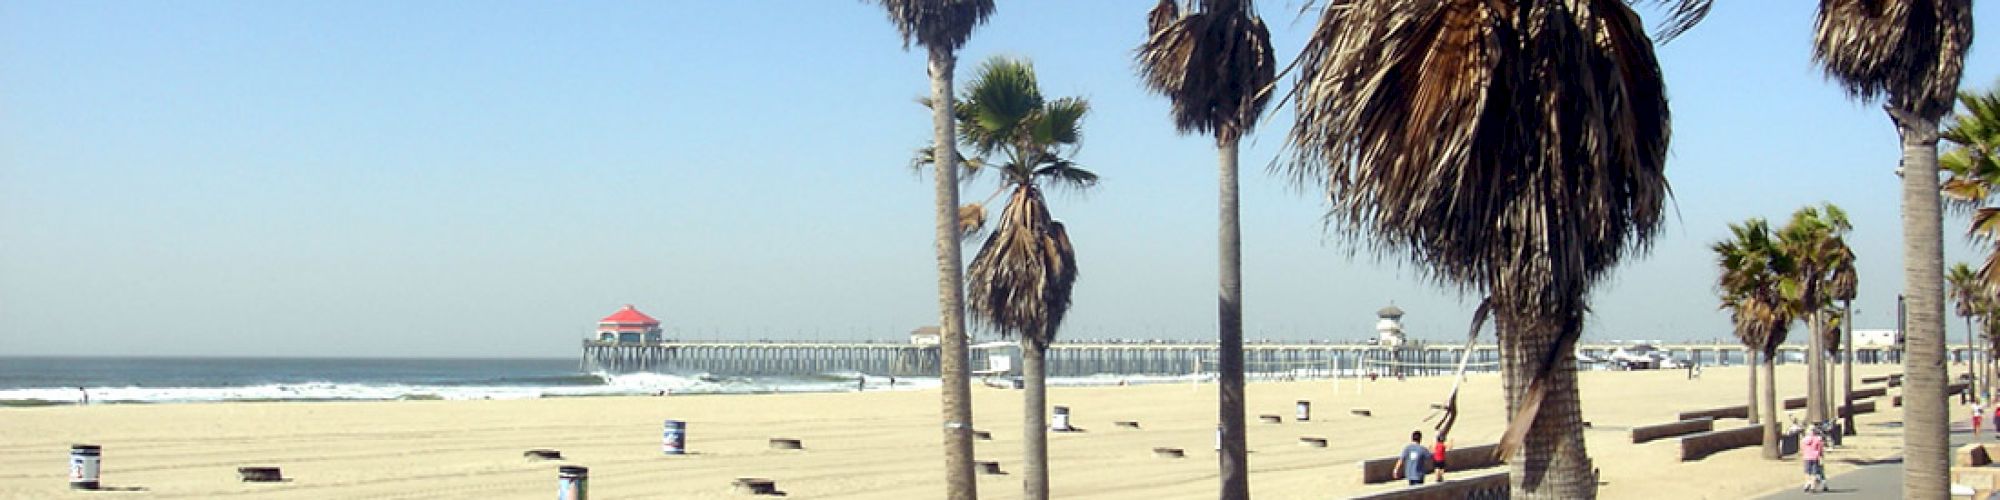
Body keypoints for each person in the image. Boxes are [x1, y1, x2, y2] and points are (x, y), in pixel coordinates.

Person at [1801, 426, 1827, 492]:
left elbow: (1802, 448)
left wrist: (1804, 454)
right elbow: (1820, 449)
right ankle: (1812, 486)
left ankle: (1807, 483)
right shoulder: (1818, 439)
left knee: (1807, 472)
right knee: (1814, 472)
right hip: (1815, 457)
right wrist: (1821, 455)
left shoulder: (1804, 440)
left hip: (1807, 457)